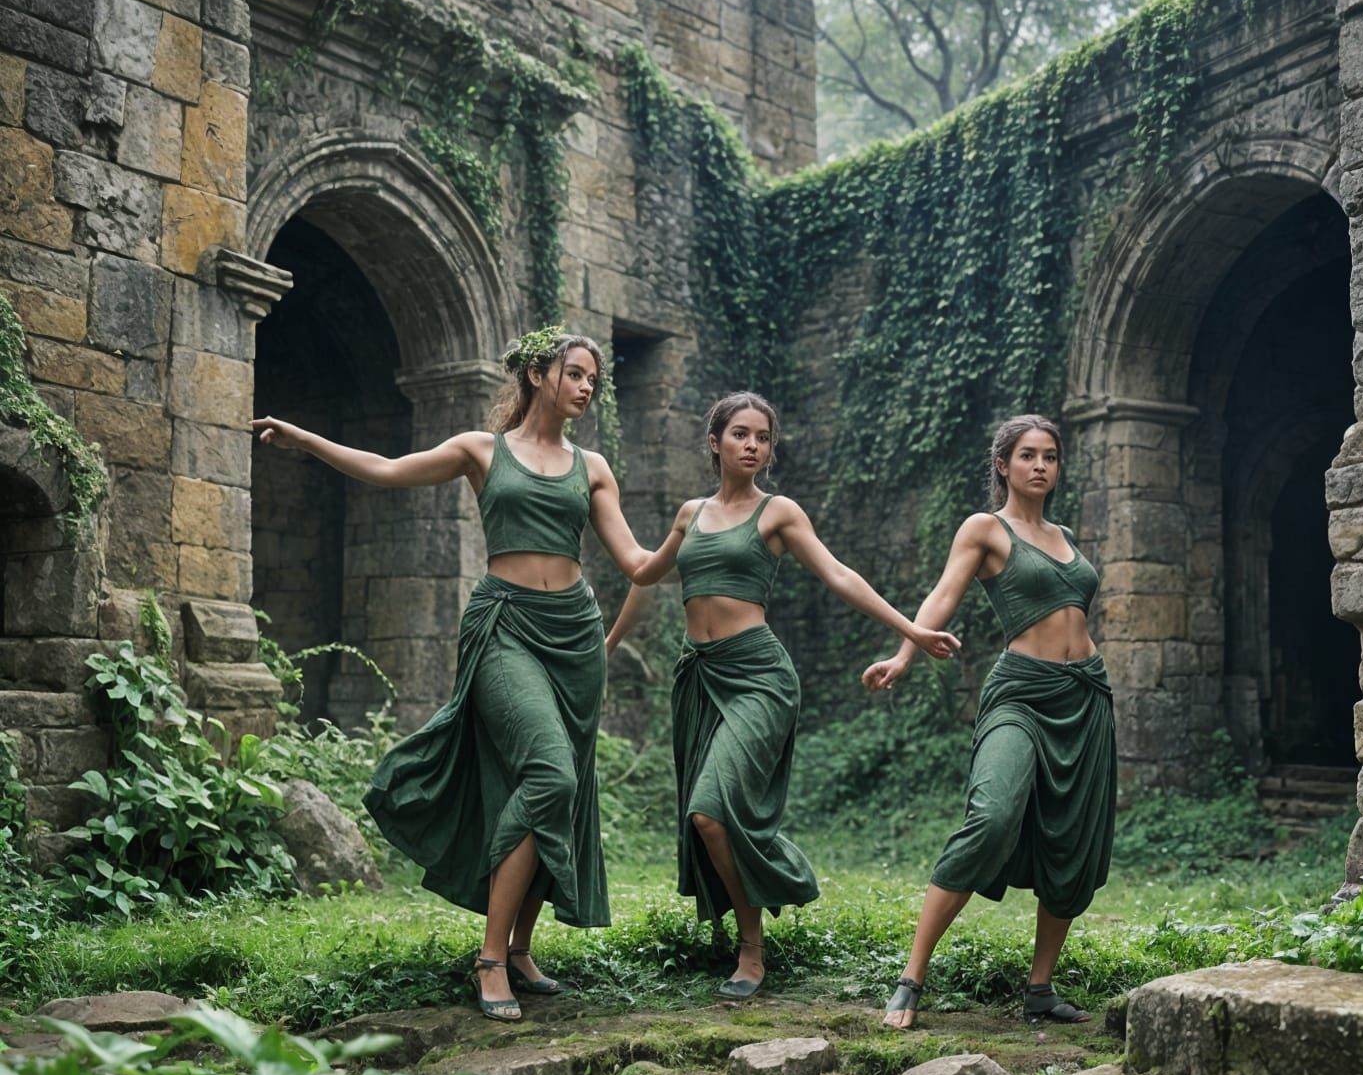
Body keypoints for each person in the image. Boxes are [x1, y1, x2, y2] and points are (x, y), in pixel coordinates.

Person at [253, 326, 661, 1023]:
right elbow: (386, 470)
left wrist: (696, 531)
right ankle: (491, 957)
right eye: (576, 373)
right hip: (503, 627)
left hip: (573, 639)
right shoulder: (482, 451)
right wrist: (307, 441)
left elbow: (637, 565)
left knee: (552, 790)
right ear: (538, 374)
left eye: (595, 379)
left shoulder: (592, 467)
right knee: (549, 773)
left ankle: (524, 948)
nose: (588, 387)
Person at [606, 391, 959, 999]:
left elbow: (839, 574)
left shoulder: (778, 513)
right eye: (741, 434)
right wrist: (604, 648)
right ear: (715, 442)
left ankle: (751, 947)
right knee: (708, 815)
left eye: (763, 438)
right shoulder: (690, 514)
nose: (753, 445)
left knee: (709, 809)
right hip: (698, 677)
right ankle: (748, 920)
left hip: (759, 678)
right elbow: (645, 575)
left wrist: (910, 631)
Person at [864, 415, 1116, 1029]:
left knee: (1070, 840)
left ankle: (1040, 990)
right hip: (1020, 696)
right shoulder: (986, 528)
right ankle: (910, 977)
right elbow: (943, 595)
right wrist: (905, 651)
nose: (1040, 466)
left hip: (1084, 697)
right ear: (1003, 465)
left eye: (1050, 456)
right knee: (993, 815)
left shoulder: (1066, 535)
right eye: (1027, 455)